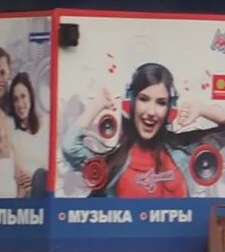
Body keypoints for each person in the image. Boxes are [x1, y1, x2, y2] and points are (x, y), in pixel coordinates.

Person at [76, 63, 198, 199]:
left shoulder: (182, 151)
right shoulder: (113, 159)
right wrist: (95, 105)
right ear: (130, 101)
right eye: (144, 99)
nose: (152, 112)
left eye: (161, 103)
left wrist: (203, 110)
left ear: (171, 109)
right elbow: (70, 147)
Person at [0, 74, 46, 199]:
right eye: (15, 99)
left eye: (23, 96)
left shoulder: (46, 125)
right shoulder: (10, 128)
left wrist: (35, 178)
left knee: (40, 176)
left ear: (30, 95)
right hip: (23, 193)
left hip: (43, 189)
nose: (20, 104)